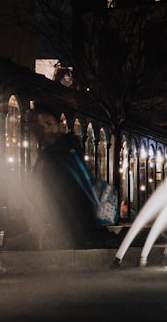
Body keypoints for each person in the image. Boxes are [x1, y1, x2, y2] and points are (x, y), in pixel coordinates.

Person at [28, 106, 118, 249]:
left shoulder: (65, 151)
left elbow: (77, 191)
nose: (46, 130)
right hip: (70, 228)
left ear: (59, 125)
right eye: (40, 127)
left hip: (75, 230)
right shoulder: (55, 152)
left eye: (49, 124)